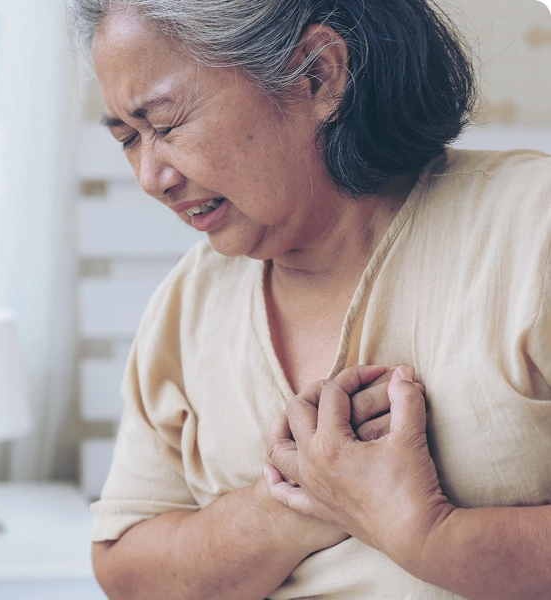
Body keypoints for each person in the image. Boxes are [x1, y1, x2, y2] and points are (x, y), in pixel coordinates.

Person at [64, 0, 551, 598]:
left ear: (318, 75)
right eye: (128, 139)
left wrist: (431, 537)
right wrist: (300, 498)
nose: (150, 176)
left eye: (164, 125)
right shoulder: (189, 301)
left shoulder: (533, 231)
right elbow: (126, 569)